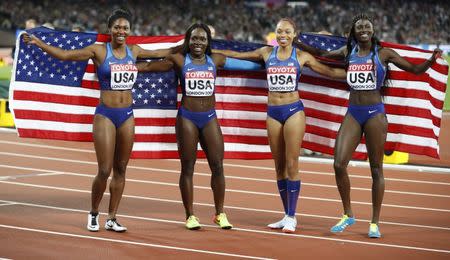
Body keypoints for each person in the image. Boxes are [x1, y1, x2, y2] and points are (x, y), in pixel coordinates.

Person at [23, 9, 178, 232]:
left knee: (121, 169)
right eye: (117, 27)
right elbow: (66, 55)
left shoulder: (134, 51)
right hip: (105, 114)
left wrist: (190, 48)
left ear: (130, 31)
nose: (121, 31)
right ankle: (94, 213)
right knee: (104, 170)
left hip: (127, 116)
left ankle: (112, 217)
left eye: (125, 28)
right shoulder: (99, 51)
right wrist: (38, 43)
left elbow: (169, 51)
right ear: (110, 30)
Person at [296, 13, 441, 238]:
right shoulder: (348, 52)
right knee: (338, 164)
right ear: (354, 32)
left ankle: (374, 222)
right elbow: (322, 54)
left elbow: (414, 70)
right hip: (353, 113)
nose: (363, 29)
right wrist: (299, 43)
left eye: (367, 26)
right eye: (359, 27)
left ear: (373, 30)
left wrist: (431, 61)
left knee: (376, 169)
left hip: (375, 115)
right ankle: (348, 214)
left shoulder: (384, 54)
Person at [214, 18, 346, 233]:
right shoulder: (267, 53)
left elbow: (330, 72)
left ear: (294, 34)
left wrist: (356, 74)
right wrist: (213, 52)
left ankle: (293, 217)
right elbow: (239, 55)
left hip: (293, 110)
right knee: (278, 166)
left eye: (287, 31)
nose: (282, 35)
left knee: (292, 163)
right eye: (279, 31)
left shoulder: (301, 56)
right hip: (272, 113)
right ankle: (286, 215)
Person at [137, 22, 233, 230]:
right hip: (187, 118)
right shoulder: (179, 59)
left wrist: (268, 61)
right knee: (188, 168)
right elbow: (148, 66)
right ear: (188, 41)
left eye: (202, 39)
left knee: (217, 166)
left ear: (208, 42)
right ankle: (190, 215)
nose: (198, 42)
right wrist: (121, 65)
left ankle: (220, 213)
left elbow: (248, 65)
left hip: (209, 118)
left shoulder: (215, 60)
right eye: (194, 38)